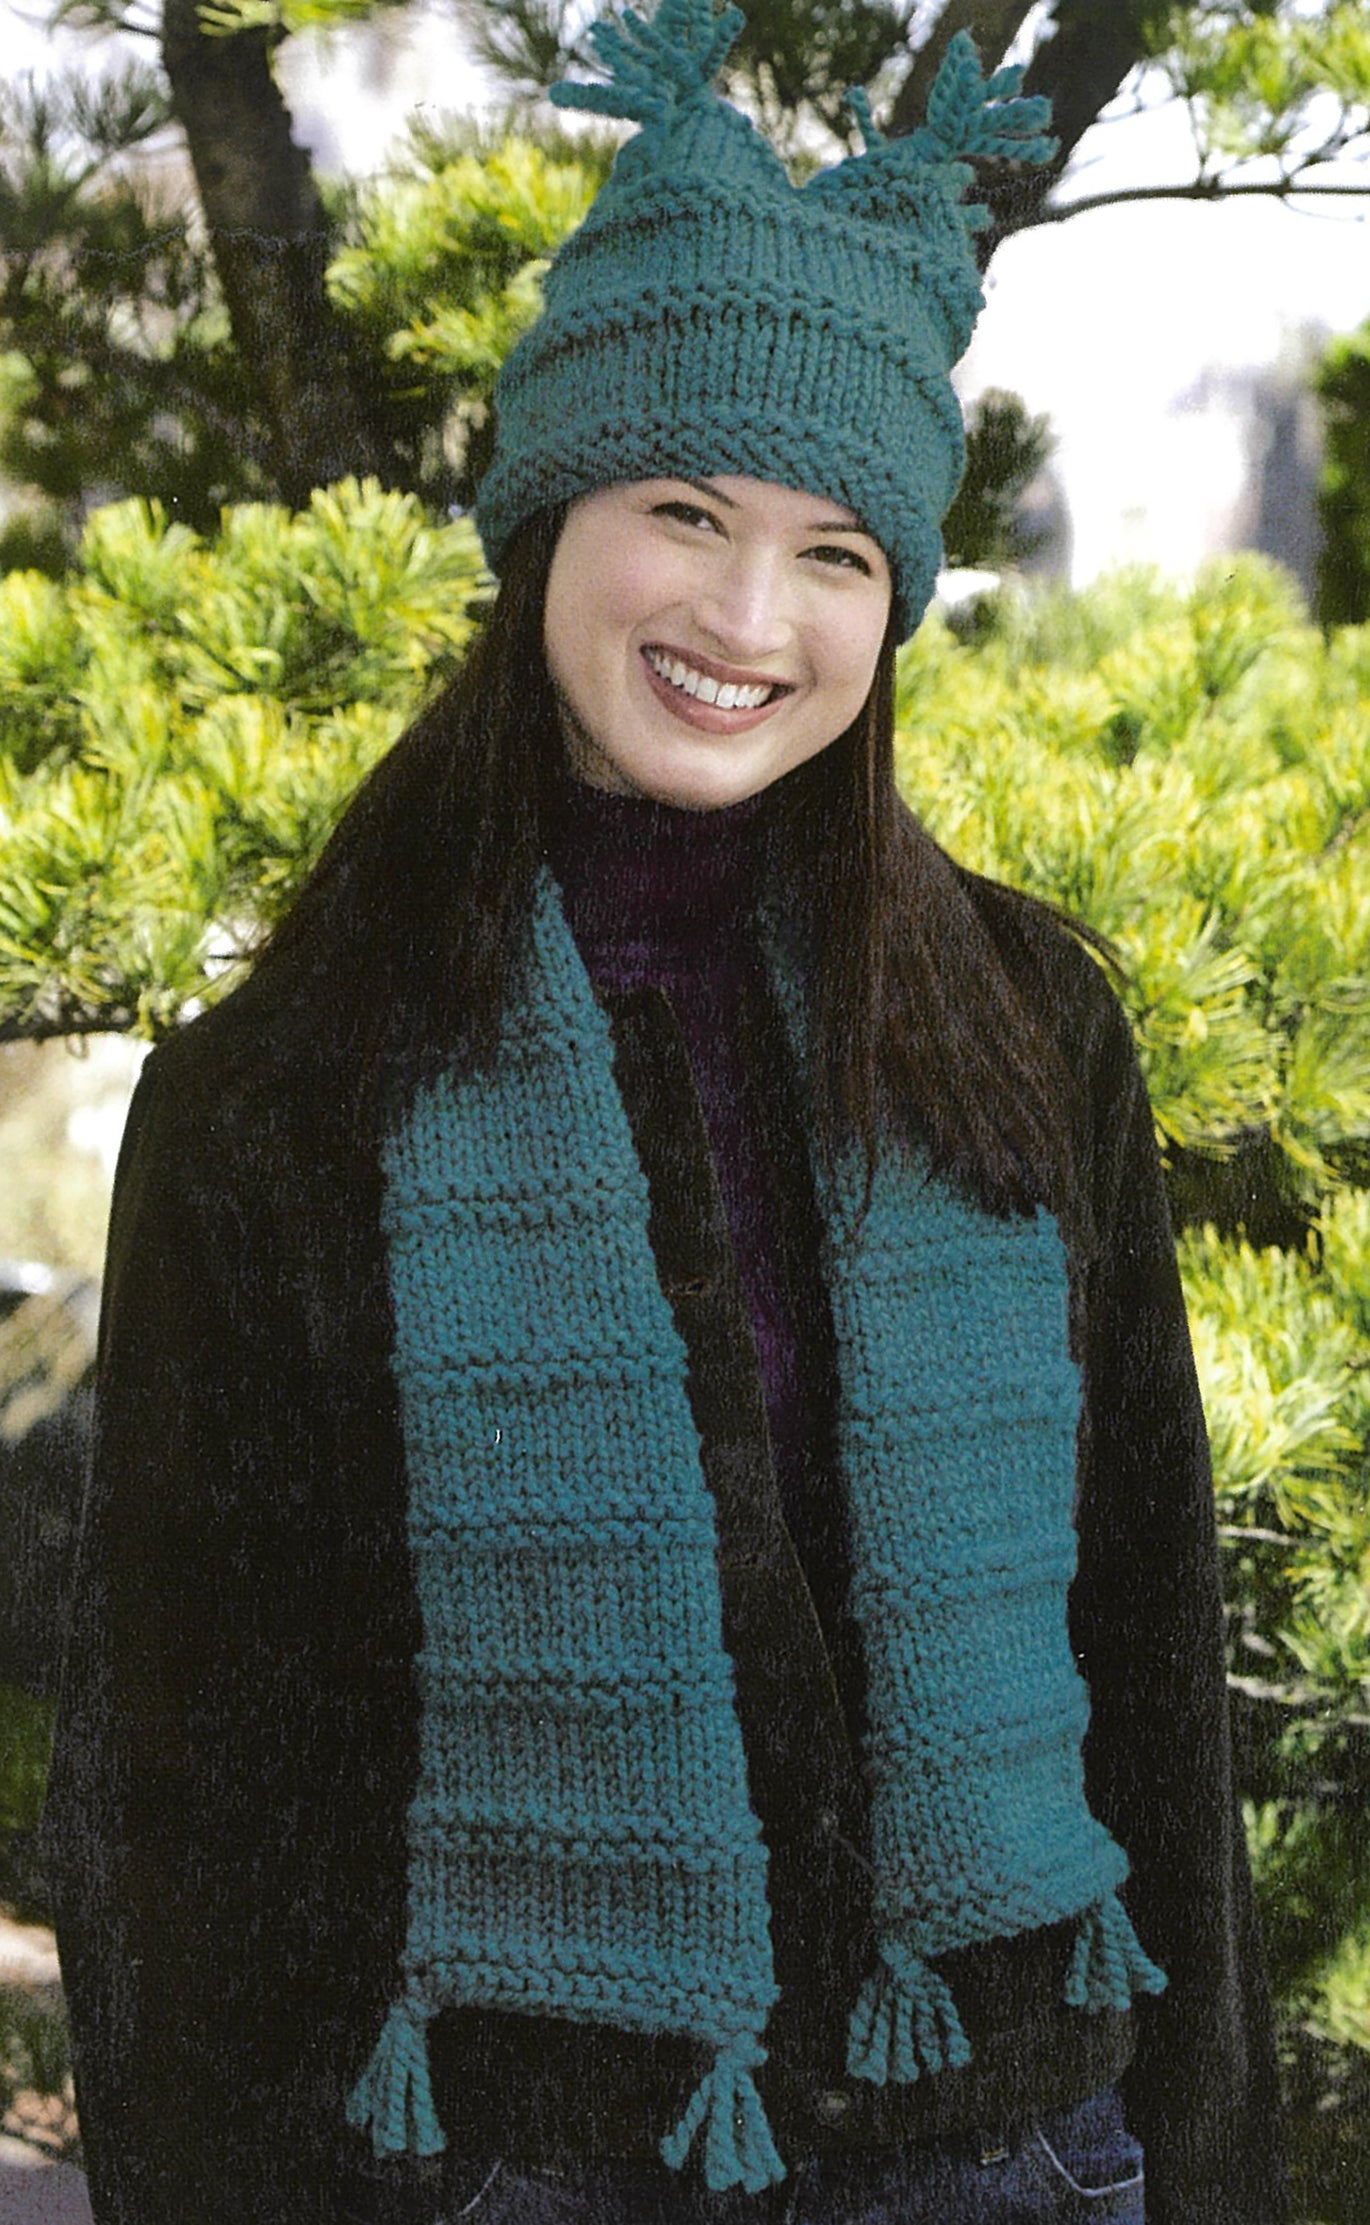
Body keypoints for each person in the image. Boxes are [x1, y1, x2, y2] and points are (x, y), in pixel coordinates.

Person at [43, 5, 1285, 2220]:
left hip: (1016, 2150)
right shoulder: (293, 1090)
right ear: (549, 529)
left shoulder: (1018, 1018)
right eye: (684, 511)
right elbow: (185, 1783)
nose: (746, 614)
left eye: (835, 551)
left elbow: (1153, 1648)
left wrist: (1201, 2167)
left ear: (896, 597)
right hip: (508, 2170)